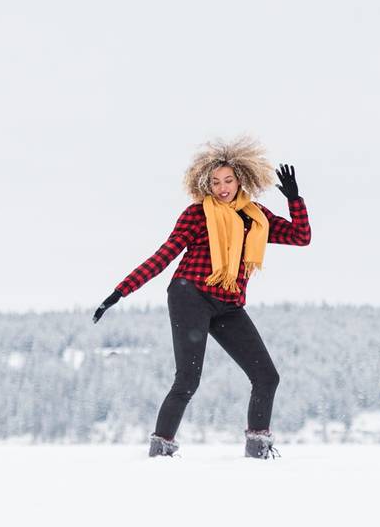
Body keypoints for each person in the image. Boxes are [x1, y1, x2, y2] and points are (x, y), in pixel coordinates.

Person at [93, 136, 311, 459]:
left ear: (241, 179)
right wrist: (120, 291)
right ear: (205, 184)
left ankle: (258, 453)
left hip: (228, 303)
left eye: (228, 180)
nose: (222, 188)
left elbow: (300, 236)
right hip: (189, 294)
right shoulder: (197, 215)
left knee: (267, 376)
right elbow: (164, 255)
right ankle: (160, 452)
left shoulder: (256, 217)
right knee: (188, 379)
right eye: (215, 182)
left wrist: (295, 200)